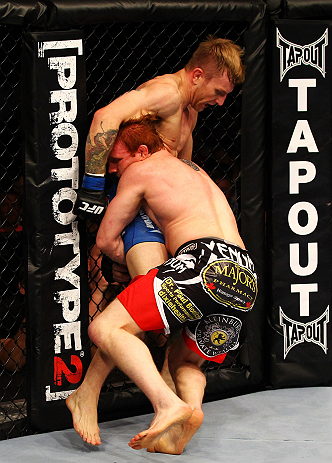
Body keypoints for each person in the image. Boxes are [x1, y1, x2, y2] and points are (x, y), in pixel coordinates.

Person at [66, 117, 257, 453]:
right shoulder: (194, 169)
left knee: (106, 328)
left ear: (141, 151)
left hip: (202, 264)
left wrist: (125, 263)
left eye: (116, 160)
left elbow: (106, 238)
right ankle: (191, 412)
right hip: (244, 276)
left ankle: (167, 404)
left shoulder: (140, 171)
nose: (111, 170)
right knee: (186, 362)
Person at [74, 35, 245, 281]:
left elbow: (182, 169)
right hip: (136, 201)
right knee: (154, 289)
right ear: (197, 76)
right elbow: (105, 116)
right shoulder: (167, 94)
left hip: (162, 211)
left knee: (175, 292)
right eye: (218, 92)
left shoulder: (191, 111)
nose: (221, 102)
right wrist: (93, 184)